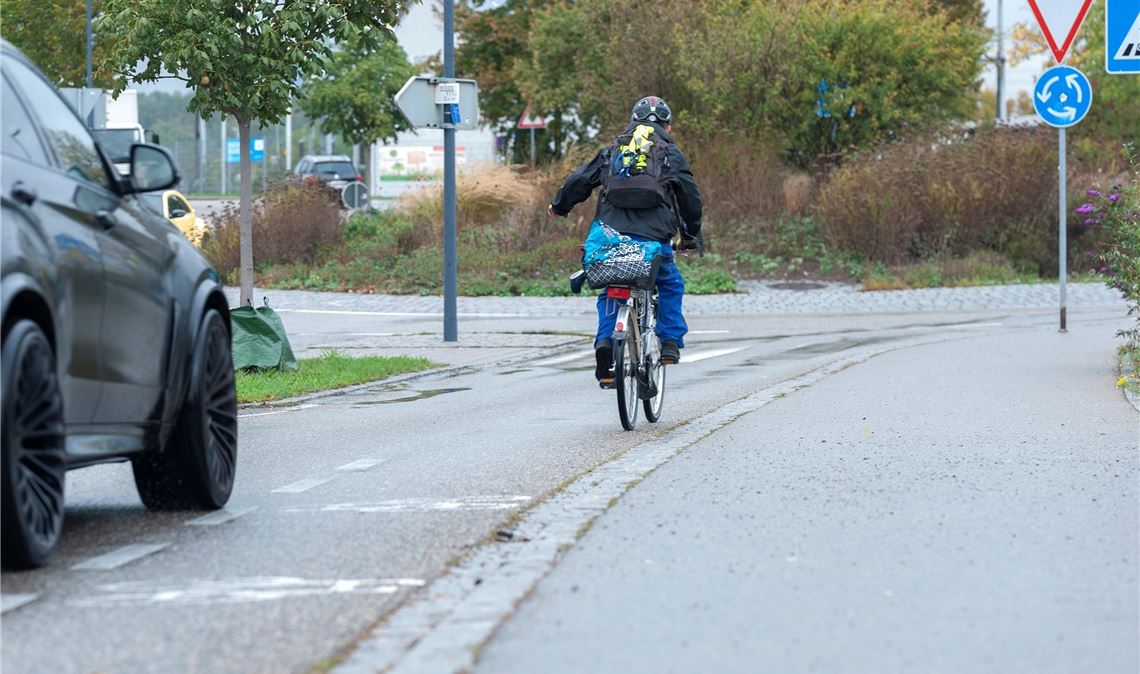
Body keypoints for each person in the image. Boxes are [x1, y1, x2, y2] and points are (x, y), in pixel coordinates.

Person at [548, 96, 703, 385]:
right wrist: (690, 236)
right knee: (669, 283)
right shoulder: (670, 154)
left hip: (611, 236)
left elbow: (580, 179)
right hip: (654, 238)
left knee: (611, 288)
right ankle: (669, 340)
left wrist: (559, 206)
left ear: (633, 121)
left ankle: (606, 341)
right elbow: (690, 199)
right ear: (668, 127)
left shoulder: (613, 150)